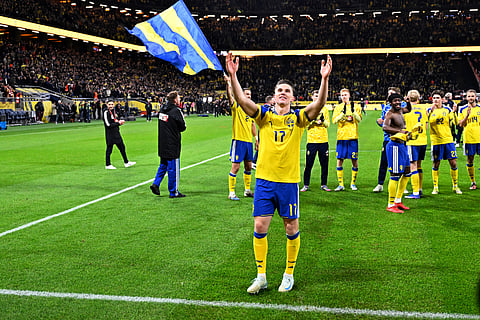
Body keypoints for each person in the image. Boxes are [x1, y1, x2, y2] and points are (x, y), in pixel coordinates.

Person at [226, 52, 332, 294]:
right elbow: (242, 101)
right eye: (279, 90)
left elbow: (319, 105)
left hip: (288, 183)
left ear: (293, 97)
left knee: (290, 228)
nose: (283, 92)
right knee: (260, 226)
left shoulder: (299, 119)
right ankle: (261, 276)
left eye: (287, 90)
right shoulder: (264, 117)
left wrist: (324, 79)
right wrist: (233, 75)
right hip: (264, 181)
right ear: (274, 97)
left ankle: (288, 274)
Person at [224, 74, 259, 200]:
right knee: (236, 167)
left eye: (250, 94)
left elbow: (253, 125)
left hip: (248, 142)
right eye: (246, 94)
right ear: (242, 95)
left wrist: (256, 139)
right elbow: (230, 97)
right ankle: (231, 192)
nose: (249, 96)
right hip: (238, 141)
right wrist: (228, 85)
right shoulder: (237, 106)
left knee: (249, 166)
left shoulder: (251, 109)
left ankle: (247, 190)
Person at [149, 91, 187, 198]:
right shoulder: (176, 111)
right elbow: (183, 127)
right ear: (175, 100)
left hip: (162, 143)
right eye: (179, 98)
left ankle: (156, 184)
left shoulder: (162, 109)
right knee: (173, 168)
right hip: (172, 144)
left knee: (163, 165)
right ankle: (173, 191)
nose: (180, 100)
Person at [383, 93, 415, 213]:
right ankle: (390, 204)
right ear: (390, 102)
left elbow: (408, 109)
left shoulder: (401, 110)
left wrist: (407, 102)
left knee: (407, 173)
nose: (397, 103)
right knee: (395, 175)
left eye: (399, 101)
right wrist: (400, 131)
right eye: (395, 101)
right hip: (394, 146)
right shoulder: (390, 114)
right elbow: (385, 127)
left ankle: (398, 200)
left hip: (402, 145)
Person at [427, 90, 461, 194]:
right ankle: (435, 187)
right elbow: (427, 124)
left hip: (448, 140)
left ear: (442, 99)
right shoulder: (429, 110)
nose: (436, 100)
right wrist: (430, 113)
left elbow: (456, 123)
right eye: (434, 98)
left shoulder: (447, 109)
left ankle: (455, 186)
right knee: (436, 164)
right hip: (436, 141)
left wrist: (454, 112)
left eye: (437, 98)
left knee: (453, 162)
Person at [373, 87, 403, 193]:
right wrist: (380, 121)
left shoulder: (402, 106)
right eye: (388, 93)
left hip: (399, 138)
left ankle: (401, 185)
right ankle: (380, 184)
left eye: (392, 93)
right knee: (384, 161)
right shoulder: (386, 107)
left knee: (401, 161)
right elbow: (382, 122)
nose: (389, 95)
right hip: (387, 138)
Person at [300, 89, 331, 192]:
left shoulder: (325, 109)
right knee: (309, 164)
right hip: (312, 141)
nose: (317, 97)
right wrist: (312, 121)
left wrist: (322, 121)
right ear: (312, 97)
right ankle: (306, 185)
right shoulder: (308, 109)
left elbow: (327, 125)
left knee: (324, 164)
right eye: (315, 96)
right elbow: (304, 125)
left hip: (323, 140)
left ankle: (324, 184)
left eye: (319, 95)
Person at [332, 88, 362, 191]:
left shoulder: (356, 106)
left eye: (345, 94)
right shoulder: (338, 107)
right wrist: (341, 114)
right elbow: (334, 121)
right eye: (342, 95)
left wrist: (353, 112)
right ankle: (341, 184)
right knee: (339, 160)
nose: (344, 96)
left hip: (353, 137)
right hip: (341, 137)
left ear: (349, 95)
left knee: (354, 160)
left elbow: (359, 119)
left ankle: (353, 183)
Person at [404, 90, 428, 199]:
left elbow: (403, 126)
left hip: (412, 141)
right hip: (423, 140)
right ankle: (419, 189)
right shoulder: (423, 109)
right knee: (418, 165)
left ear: (408, 98)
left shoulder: (406, 110)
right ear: (418, 98)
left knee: (412, 165)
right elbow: (426, 126)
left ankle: (415, 192)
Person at [103, 99, 136, 170]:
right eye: (109, 104)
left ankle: (126, 162)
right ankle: (108, 164)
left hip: (116, 133)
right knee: (109, 149)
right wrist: (118, 123)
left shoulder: (114, 111)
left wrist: (119, 122)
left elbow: (115, 120)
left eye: (112, 104)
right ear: (107, 105)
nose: (111, 106)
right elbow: (108, 124)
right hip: (110, 135)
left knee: (122, 148)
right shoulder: (106, 112)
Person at [458, 89, 480, 190]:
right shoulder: (462, 109)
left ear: (476, 97)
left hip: (479, 138)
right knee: (470, 160)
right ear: (466, 97)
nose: (471, 98)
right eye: (469, 96)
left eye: (472, 96)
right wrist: (467, 115)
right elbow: (461, 124)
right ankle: (473, 182)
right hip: (469, 138)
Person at [252, 95, 274, 170]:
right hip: (264, 129)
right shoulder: (267, 108)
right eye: (273, 100)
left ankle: (258, 161)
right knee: (261, 146)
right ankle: (254, 161)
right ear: (270, 101)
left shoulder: (266, 107)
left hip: (264, 129)